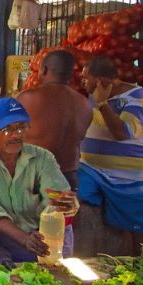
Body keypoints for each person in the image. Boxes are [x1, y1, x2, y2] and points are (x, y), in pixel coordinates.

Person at [0, 97, 78, 267]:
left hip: (30, 232)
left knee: (53, 265)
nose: (15, 135)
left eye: (21, 128)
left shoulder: (42, 158)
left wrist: (66, 205)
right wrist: (25, 239)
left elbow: (56, 198)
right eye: (7, 129)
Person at [78, 56, 143, 254]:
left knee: (138, 229)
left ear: (102, 80)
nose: (82, 81)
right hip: (91, 169)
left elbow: (121, 133)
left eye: (87, 78)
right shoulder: (92, 97)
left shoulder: (135, 96)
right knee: (69, 194)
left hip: (127, 176)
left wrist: (103, 104)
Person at [17, 50, 92, 190]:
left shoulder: (28, 98)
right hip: (68, 178)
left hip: (34, 177)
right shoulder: (84, 104)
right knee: (62, 212)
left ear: (43, 69)